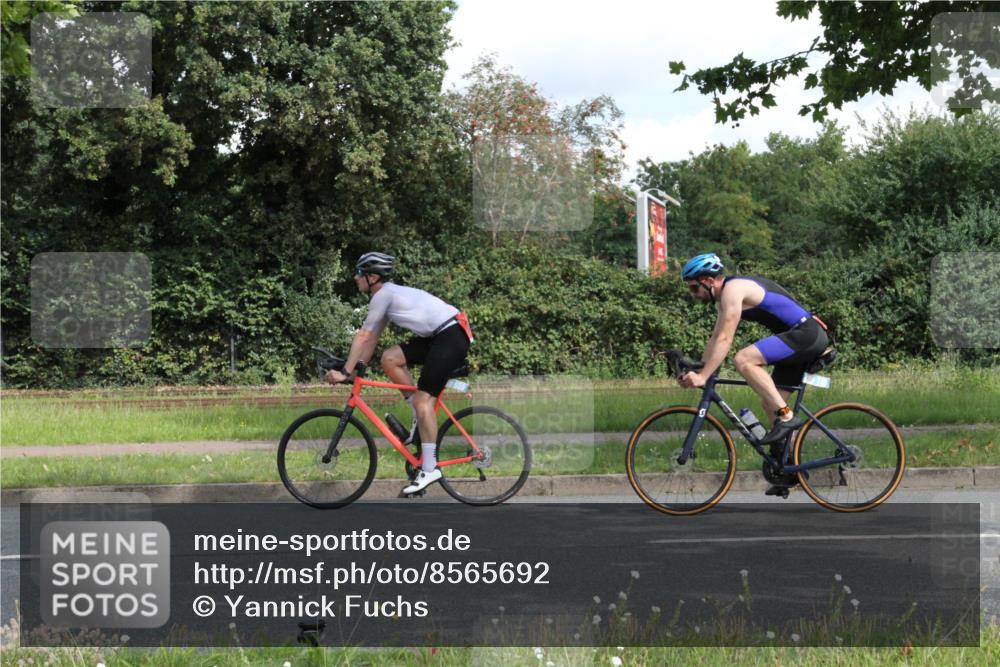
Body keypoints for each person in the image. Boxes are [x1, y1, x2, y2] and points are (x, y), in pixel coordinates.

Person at [676, 253, 830, 493]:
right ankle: (786, 470)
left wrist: (705, 375)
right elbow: (716, 338)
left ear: (708, 280)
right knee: (770, 404)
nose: (693, 294)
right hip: (797, 338)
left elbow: (727, 338)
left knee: (744, 359)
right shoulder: (723, 299)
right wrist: (698, 368)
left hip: (806, 334)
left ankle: (787, 417)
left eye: (695, 287)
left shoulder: (733, 290)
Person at [324, 252, 472, 494]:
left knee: (425, 400)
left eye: (359, 273)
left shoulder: (384, 295)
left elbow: (363, 336)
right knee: (390, 358)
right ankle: (419, 416)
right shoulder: (386, 296)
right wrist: (352, 372)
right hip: (441, 335)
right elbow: (371, 339)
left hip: (451, 335)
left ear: (372, 277)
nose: (355, 277)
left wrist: (345, 371)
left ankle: (430, 468)